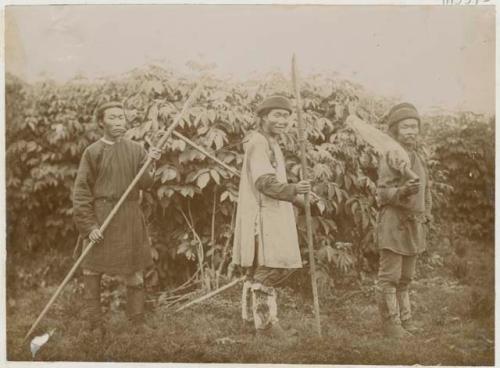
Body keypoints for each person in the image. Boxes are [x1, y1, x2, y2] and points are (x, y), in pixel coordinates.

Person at [72, 101, 162, 334]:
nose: (119, 121)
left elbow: (147, 184)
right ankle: (94, 324)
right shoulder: (92, 152)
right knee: (92, 270)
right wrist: (89, 225)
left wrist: (151, 163)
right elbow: (81, 192)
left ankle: (137, 322)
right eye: (112, 117)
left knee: (134, 271)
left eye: (121, 117)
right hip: (102, 216)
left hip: (129, 217)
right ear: (101, 122)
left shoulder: (136, 149)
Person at [232, 95, 311, 340]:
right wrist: (294, 190)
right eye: (277, 115)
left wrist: (302, 199)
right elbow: (264, 182)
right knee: (268, 268)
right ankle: (266, 328)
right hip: (262, 215)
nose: (283, 120)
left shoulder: (271, 143)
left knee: (258, 269)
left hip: (271, 212)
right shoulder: (258, 142)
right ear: (263, 117)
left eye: (286, 116)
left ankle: (249, 321)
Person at [375, 102, 433, 338]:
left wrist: (427, 212)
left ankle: (405, 320)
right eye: (405, 127)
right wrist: (402, 191)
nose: (411, 131)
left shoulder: (415, 157)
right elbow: (381, 193)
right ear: (395, 130)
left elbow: (425, 190)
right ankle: (391, 325)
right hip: (393, 223)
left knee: (406, 277)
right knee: (390, 276)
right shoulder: (391, 155)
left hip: (413, 224)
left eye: (414, 127)